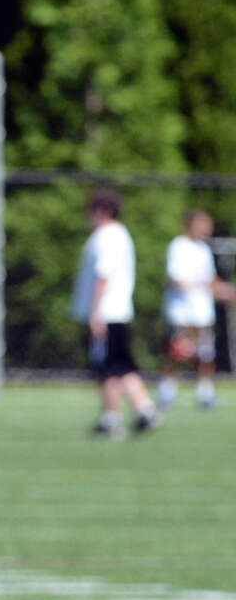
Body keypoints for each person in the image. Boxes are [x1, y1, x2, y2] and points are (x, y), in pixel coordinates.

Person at [69, 185, 159, 437]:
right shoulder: (118, 234)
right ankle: (144, 408)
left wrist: (95, 312)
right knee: (121, 364)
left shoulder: (107, 236)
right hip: (116, 311)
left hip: (107, 311)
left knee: (107, 367)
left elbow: (102, 275)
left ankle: (112, 417)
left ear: (104, 210)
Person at [158, 208, 234, 411]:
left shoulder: (203, 249)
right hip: (182, 313)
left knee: (206, 354)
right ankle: (166, 392)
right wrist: (200, 284)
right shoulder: (178, 246)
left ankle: (205, 393)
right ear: (191, 224)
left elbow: (211, 280)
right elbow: (176, 279)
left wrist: (226, 291)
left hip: (202, 313)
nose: (207, 229)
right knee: (178, 354)